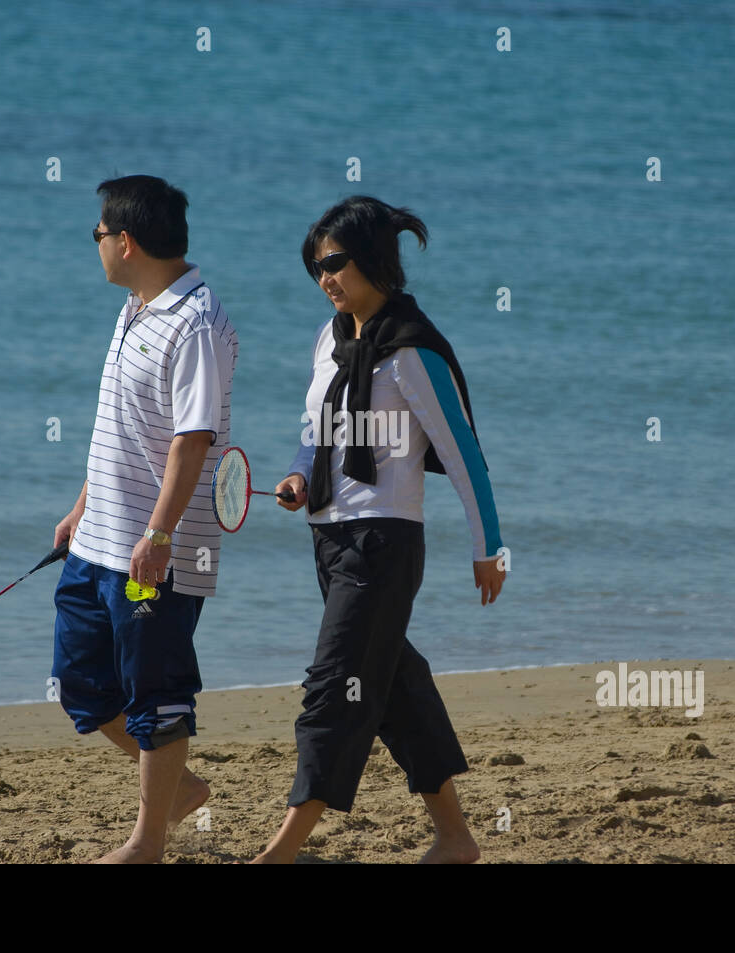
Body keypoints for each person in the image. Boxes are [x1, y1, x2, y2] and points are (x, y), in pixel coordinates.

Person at [252, 196, 505, 864]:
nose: (324, 278)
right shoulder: (328, 340)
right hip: (329, 540)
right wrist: (299, 476)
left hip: (383, 545)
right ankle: (455, 837)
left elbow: (464, 454)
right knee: (394, 687)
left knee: (334, 686)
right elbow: (316, 435)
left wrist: (489, 546)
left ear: (372, 258)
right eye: (315, 268)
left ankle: (280, 852)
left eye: (334, 263)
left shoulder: (411, 353)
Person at [52, 174, 237, 864]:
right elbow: (121, 427)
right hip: (97, 543)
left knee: (156, 694)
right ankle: (178, 786)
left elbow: (193, 441)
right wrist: (81, 506)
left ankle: (147, 841)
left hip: (157, 552)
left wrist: (158, 535)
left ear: (125, 242)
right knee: (80, 681)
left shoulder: (197, 321)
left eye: (98, 234)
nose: (95, 245)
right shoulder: (136, 305)